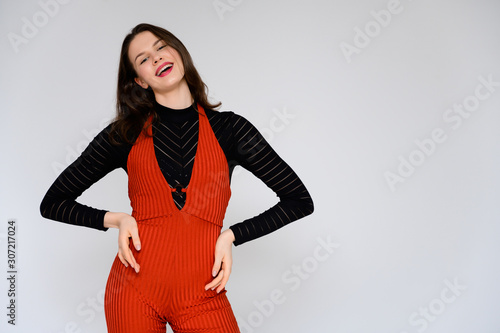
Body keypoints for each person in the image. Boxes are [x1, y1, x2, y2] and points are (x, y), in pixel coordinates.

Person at [40, 23, 314, 333]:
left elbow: (299, 201)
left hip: (203, 294)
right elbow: (52, 203)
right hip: (133, 291)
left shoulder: (232, 131)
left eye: (160, 47)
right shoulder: (124, 135)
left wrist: (232, 235)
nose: (155, 58)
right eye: (143, 59)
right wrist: (116, 219)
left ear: (178, 53)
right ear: (138, 80)